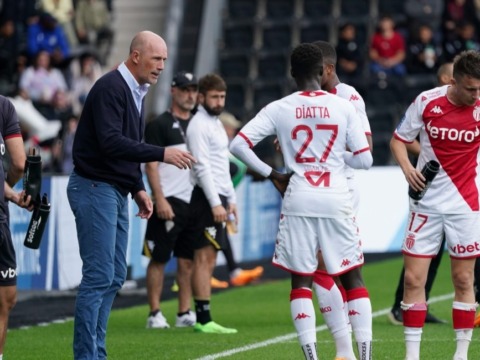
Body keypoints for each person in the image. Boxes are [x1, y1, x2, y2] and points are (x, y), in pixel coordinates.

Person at [230, 43, 373, 360]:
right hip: (337, 197)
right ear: (323, 71)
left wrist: (273, 174)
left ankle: (312, 356)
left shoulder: (280, 107)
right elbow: (365, 160)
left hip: (298, 197)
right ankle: (363, 356)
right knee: (352, 276)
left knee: (301, 280)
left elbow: (238, 145)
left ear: (292, 73)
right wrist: (336, 156)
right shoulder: (343, 106)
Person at [66, 31, 196, 359]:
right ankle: (87, 356)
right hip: (95, 187)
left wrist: (138, 187)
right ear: (136, 56)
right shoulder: (111, 87)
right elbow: (111, 142)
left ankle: (97, 352)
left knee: (113, 277)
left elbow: (120, 146)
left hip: (112, 189)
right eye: (157, 59)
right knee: (99, 277)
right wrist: (160, 154)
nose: (162, 66)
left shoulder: (135, 90)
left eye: (164, 60)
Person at [390, 50, 480, 360]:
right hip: (426, 204)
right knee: (414, 279)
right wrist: (407, 167)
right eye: (470, 88)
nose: (475, 95)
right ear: (453, 80)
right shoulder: (428, 101)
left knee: (464, 279)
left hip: (465, 205)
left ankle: (461, 355)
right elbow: (399, 140)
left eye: (479, 89)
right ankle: (412, 355)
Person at [312, 40, 373, 360]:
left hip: (341, 190)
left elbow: (366, 147)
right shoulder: (312, 99)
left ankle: (347, 351)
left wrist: (322, 150)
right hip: (318, 191)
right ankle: (349, 351)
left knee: (329, 268)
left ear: (329, 69)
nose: (308, 78)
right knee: (329, 268)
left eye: (314, 72)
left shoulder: (348, 97)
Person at [388, 62, 454, 326]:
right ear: (446, 78)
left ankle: (412, 306)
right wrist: (429, 155)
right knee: (427, 251)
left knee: (462, 250)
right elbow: (404, 137)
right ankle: (402, 307)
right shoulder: (428, 103)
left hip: (462, 188)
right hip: (433, 186)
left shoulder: (468, 105)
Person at [142, 71, 199, 329]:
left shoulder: (199, 123)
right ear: (173, 91)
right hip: (169, 200)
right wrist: (159, 198)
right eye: (185, 89)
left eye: (194, 90)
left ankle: (184, 312)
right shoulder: (159, 125)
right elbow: (150, 166)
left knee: (188, 260)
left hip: (193, 202)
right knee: (159, 258)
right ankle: (154, 312)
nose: (190, 94)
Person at [185, 73, 238, 334]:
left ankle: (204, 317)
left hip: (218, 195)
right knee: (203, 257)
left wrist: (232, 199)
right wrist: (216, 202)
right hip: (206, 198)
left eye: (222, 97)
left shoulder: (216, 123)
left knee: (210, 256)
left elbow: (222, 165)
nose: (219, 102)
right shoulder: (198, 125)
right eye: (214, 97)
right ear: (202, 97)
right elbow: (202, 167)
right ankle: (203, 318)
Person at [0, 95, 34, 360]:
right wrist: (12, 193)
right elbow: (19, 165)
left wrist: (10, 193)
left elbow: (20, 164)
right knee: (5, 298)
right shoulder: (3, 105)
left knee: (6, 297)